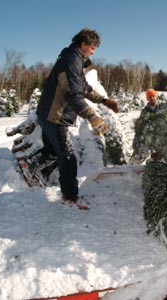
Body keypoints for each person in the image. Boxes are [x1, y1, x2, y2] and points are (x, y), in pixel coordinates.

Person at [36, 28, 119, 209]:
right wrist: (93, 117)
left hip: (47, 114)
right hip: (54, 116)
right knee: (68, 158)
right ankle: (70, 198)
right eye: (93, 46)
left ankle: (32, 168)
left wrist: (105, 100)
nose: (94, 50)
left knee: (52, 151)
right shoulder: (71, 60)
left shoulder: (75, 60)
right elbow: (73, 95)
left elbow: (83, 88)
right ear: (83, 44)